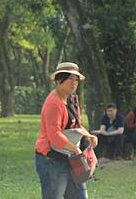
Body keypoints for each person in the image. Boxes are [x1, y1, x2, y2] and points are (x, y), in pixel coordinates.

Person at [34, 62, 98, 199]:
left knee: (80, 196)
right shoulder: (53, 103)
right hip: (51, 159)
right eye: (70, 79)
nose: (74, 83)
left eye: (76, 80)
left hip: (70, 157)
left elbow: (76, 125)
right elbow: (54, 134)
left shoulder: (72, 99)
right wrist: (76, 150)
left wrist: (89, 136)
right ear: (58, 81)